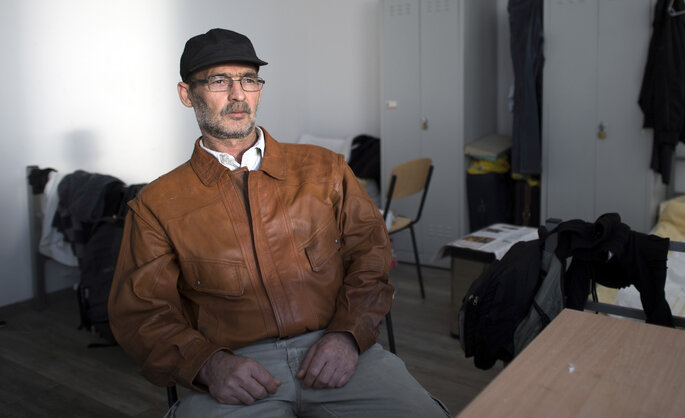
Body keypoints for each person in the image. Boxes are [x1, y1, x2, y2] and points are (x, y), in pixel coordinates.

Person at [108, 28, 449, 417]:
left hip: (339, 346)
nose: (238, 95)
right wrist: (207, 364)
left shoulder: (326, 169)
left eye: (248, 79)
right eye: (220, 80)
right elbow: (142, 313)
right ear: (187, 94)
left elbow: (371, 257)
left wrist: (347, 334)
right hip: (235, 367)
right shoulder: (156, 205)